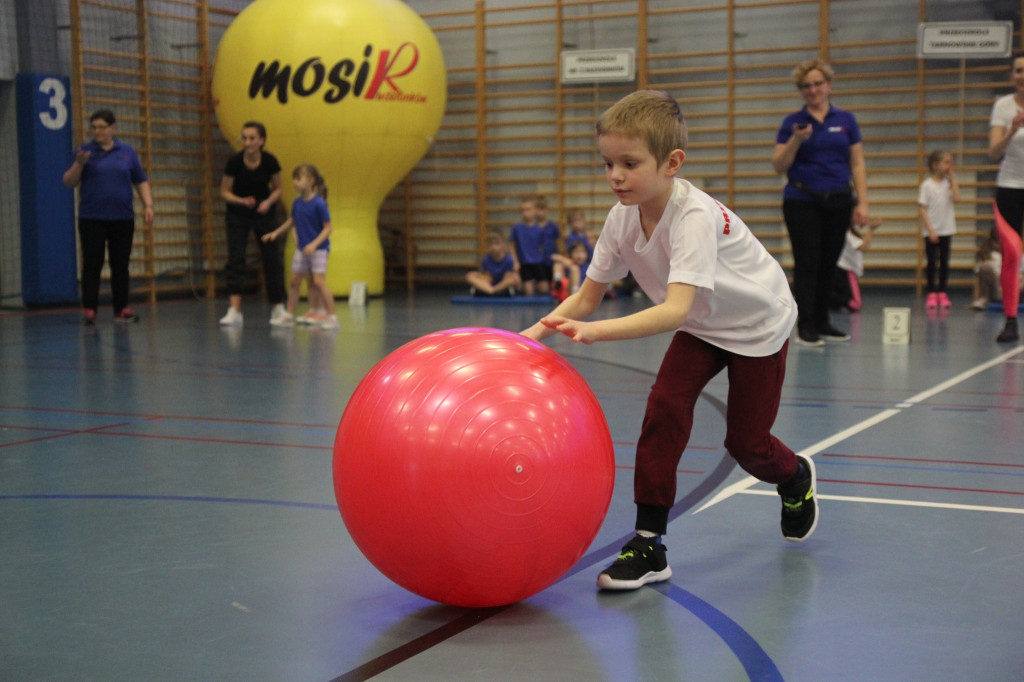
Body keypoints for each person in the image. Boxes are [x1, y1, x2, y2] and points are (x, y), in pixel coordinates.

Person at [521, 90, 814, 592]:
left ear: (671, 163)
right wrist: (530, 338)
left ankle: (793, 477)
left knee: (747, 444)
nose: (615, 176)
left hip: (756, 325)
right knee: (663, 412)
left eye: (629, 164)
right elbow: (587, 298)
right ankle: (649, 543)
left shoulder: (693, 218)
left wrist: (594, 334)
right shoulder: (620, 218)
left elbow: (674, 309)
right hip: (704, 325)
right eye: (608, 163)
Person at [771, 57, 870, 346]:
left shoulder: (846, 120)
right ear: (801, 91)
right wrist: (796, 141)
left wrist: (862, 203)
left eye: (817, 84)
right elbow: (778, 165)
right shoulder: (793, 122)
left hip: (839, 200)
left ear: (828, 85)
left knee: (830, 262)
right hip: (802, 199)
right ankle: (806, 325)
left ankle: (824, 321)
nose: (812, 90)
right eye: (806, 86)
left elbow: (858, 162)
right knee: (808, 262)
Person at [62, 109, 154, 325]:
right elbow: (69, 182)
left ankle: (121, 309)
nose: (97, 131)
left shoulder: (127, 152)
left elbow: (140, 180)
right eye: (94, 127)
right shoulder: (84, 151)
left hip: (122, 218)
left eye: (102, 127)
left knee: (120, 264)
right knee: (92, 264)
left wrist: (148, 204)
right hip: (92, 218)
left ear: (112, 128)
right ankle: (90, 310)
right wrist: (79, 164)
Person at [218, 121, 287, 327]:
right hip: (238, 215)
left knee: (271, 258)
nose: (247, 142)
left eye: (251, 138)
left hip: (264, 214)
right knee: (236, 259)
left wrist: (267, 202)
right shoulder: (234, 163)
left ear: (261, 141)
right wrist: (242, 201)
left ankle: (277, 307)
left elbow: (278, 188)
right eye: (244, 138)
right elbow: (224, 192)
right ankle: (235, 310)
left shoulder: (270, 161)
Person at [261, 164, 338, 330]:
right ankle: (289, 314)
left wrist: (314, 244)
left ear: (311, 181)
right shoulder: (297, 203)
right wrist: (275, 233)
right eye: (294, 179)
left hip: (318, 249)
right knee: (294, 281)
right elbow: (292, 221)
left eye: (299, 179)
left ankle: (331, 316)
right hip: (302, 249)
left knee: (318, 282)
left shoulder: (319, 203)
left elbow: (328, 227)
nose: (295, 183)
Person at [987, 54, 1024, 342]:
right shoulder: (1003, 106)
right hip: (1010, 187)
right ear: (1012, 75)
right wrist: (1013, 128)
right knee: (1011, 255)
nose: (1022, 75)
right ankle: (1011, 320)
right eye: (1019, 71)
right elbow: (994, 152)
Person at [918, 150, 960, 309]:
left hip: (947, 229)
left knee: (944, 262)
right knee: (931, 262)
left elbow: (956, 199)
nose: (950, 165)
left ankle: (942, 293)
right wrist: (930, 230)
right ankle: (931, 293)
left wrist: (953, 179)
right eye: (946, 162)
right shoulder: (926, 185)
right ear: (935, 165)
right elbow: (922, 209)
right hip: (931, 230)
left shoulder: (949, 184)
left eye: (951, 162)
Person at [831, 218, 881, 313]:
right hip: (846, 270)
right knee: (855, 303)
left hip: (841, 270)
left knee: (839, 300)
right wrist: (871, 229)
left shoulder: (848, 232)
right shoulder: (848, 233)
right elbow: (864, 247)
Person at [508, 196, 549, 296]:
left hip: (538, 262)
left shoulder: (540, 229)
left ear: (535, 211)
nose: (525, 213)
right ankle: (523, 284)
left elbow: (542, 246)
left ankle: (531, 283)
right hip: (525, 263)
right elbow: (512, 246)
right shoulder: (517, 228)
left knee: (544, 289)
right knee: (529, 292)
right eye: (523, 210)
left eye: (528, 210)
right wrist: (515, 261)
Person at [466, 231, 520, 296]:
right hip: (489, 283)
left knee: (515, 278)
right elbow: (487, 277)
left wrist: (496, 287)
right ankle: (491, 290)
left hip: (502, 284)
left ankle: (493, 290)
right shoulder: (486, 259)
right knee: (469, 276)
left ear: (503, 245)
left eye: (496, 244)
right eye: (491, 244)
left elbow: (507, 277)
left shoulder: (508, 259)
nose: (494, 247)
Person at [969, 232, 1003, 311]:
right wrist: (976, 301)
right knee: (985, 268)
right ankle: (982, 299)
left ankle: (983, 299)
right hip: (998, 291)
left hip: (1003, 290)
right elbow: (978, 281)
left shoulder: (998, 257)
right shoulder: (989, 259)